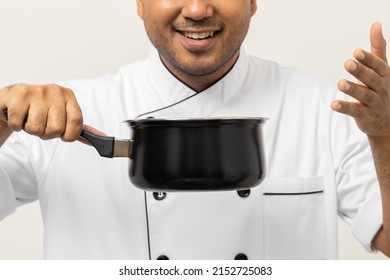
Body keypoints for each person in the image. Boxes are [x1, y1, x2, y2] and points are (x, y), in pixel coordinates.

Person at [0, 0, 389, 259]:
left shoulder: (328, 109)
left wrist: (386, 134)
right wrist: (1, 119)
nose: (198, 9)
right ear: (139, 3)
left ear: (253, 2)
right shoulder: (64, 114)